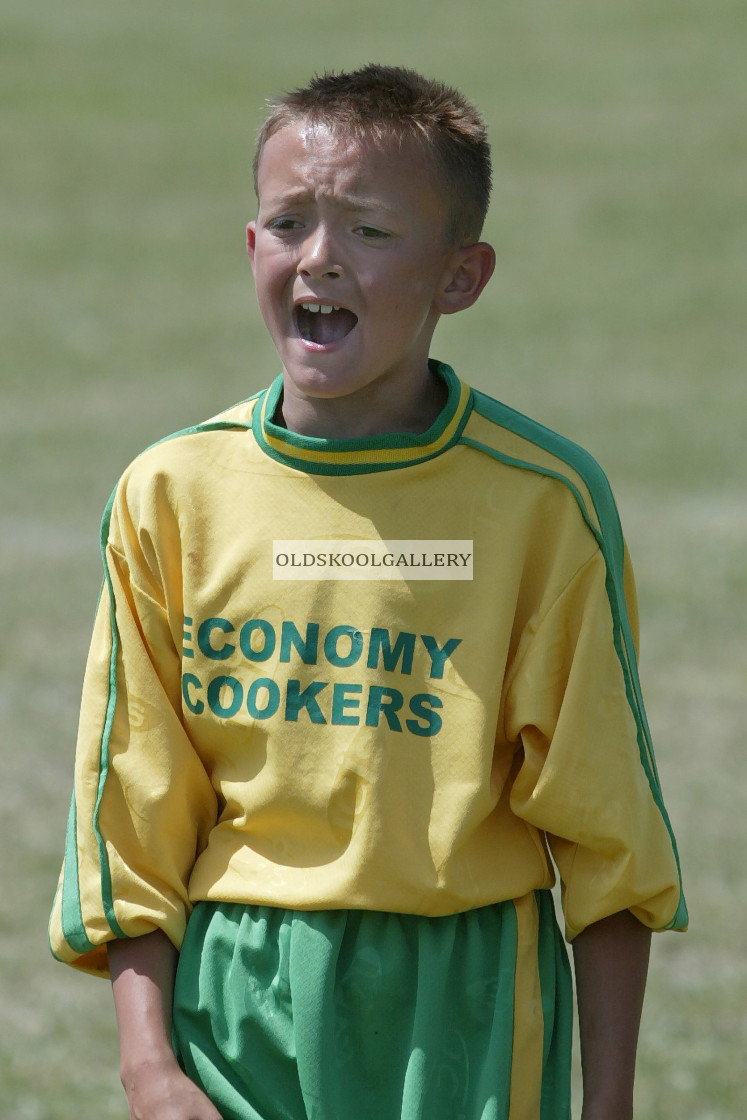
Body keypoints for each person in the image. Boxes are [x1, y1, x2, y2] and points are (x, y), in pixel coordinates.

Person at [49, 64, 687, 1120]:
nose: (320, 258)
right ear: (251, 248)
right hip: (237, 994)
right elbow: (131, 812)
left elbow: (607, 833)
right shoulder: (170, 494)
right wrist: (148, 1066)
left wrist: (607, 1104)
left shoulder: (541, 502)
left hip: (467, 998)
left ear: (461, 274)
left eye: (371, 231)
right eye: (289, 220)